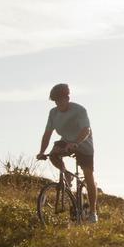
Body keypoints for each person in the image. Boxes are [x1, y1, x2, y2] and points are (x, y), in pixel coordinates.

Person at [36, 82, 98, 221]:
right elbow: (47, 134)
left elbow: (86, 130)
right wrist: (41, 152)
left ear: (67, 98)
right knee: (53, 155)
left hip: (83, 143)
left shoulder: (79, 110)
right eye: (55, 101)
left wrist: (76, 143)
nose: (58, 103)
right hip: (66, 140)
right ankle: (67, 176)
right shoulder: (53, 113)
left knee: (88, 175)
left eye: (60, 100)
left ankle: (93, 213)